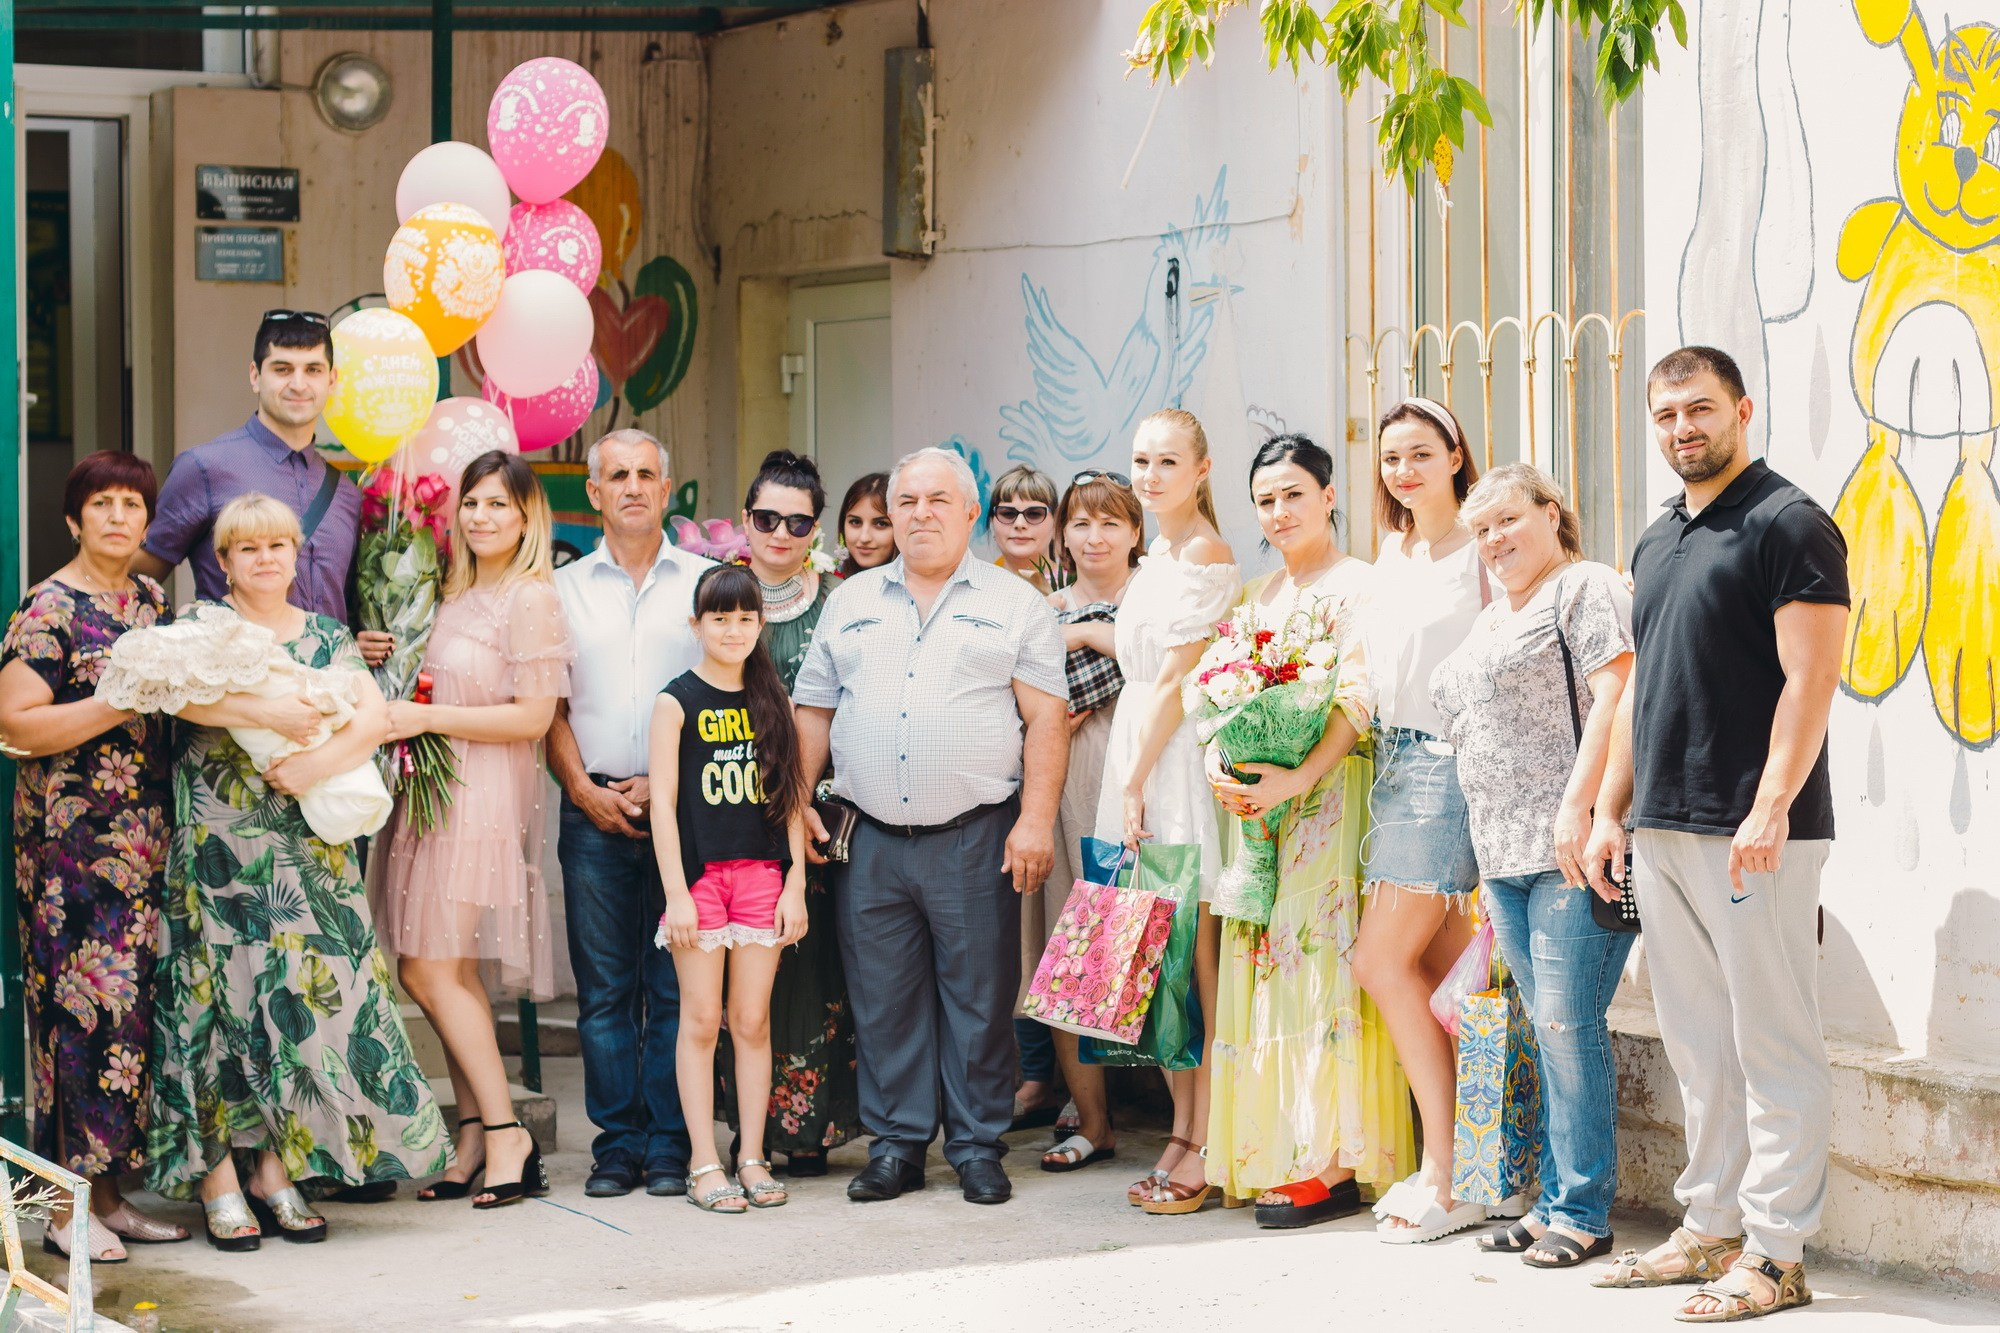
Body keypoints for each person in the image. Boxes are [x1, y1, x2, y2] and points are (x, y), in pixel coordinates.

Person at [1585, 346, 1847, 1322]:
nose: (1681, 427)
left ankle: (1776, 1253)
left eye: (1698, 408)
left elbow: (1810, 678)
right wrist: (1609, 809)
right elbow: (1636, 687)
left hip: (1752, 827)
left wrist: (1771, 802)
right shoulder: (1655, 539)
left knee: (1772, 1041)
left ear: (1741, 408)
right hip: (1660, 822)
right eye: (1663, 415)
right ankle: (1711, 1226)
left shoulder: (1787, 523)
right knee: (1698, 1044)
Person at [147, 493, 444, 1249]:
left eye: (278, 545)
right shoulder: (196, 630)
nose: (266, 558)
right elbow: (175, 694)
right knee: (217, 1008)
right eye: (248, 548)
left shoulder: (326, 633)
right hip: (218, 847)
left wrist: (314, 757)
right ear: (223, 560)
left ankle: (276, 1167)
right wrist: (271, 712)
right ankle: (218, 1176)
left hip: (306, 849)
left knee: (298, 1007)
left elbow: (375, 718)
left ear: (296, 553)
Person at [793, 446, 1068, 1207]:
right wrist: (796, 801)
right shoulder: (848, 602)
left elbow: (1047, 717)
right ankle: (897, 1146)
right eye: (906, 501)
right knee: (884, 997)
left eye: (937, 500)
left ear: (971, 513)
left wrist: (1037, 820)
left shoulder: (1017, 605)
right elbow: (812, 708)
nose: (919, 514)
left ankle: (978, 1144)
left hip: (975, 832)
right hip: (870, 837)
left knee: (980, 998)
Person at [1201, 434, 1415, 1229]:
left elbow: (1359, 698)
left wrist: (1299, 774)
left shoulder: (1360, 586)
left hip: (1330, 796)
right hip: (1263, 812)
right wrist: (1228, 765)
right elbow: (1221, 701)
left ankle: (1331, 1158)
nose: (1280, 511)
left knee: (1319, 963)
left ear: (1329, 495)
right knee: (1264, 967)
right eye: (1265, 499)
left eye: (1295, 493)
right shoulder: (1254, 597)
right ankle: (1280, 1147)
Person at [1429, 463, 1636, 1266]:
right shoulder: (1491, 616)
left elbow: (1617, 693)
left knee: (1566, 1021)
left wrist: (1581, 809)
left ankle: (1583, 1210)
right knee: (1548, 1029)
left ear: (1554, 512)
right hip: (1503, 855)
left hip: (1572, 848)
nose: (1494, 540)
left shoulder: (1581, 589)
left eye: (1509, 520)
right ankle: (1553, 1200)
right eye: (1481, 530)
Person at [373, 452, 575, 1210]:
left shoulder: (529, 597)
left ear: (527, 517)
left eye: (500, 504)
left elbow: (532, 716)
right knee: (445, 973)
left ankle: (507, 1131)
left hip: (481, 790)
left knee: (428, 968)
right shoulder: (456, 589)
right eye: (472, 503)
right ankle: (471, 1136)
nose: (482, 516)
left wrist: (427, 717)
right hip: (433, 784)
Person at [0, 453, 185, 1262]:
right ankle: (56, 1212)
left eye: (131, 504)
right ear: (73, 520)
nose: (118, 516)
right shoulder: (49, 609)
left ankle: (107, 1199)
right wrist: (114, 703)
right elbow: (16, 725)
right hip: (68, 855)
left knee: (121, 1030)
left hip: (139, 848)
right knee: (66, 1030)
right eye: (100, 504)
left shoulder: (148, 599)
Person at [546, 430, 709, 1200]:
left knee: (675, 986)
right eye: (618, 475)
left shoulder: (709, 584)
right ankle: (617, 1145)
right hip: (594, 810)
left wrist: (666, 784)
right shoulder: (561, 589)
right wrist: (582, 788)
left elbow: (731, 694)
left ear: (668, 488)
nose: (634, 486)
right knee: (607, 989)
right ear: (595, 493)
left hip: (691, 814)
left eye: (648, 472)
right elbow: (546, 706)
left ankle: (671, 1142)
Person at [1350, 396, 1493, 1243]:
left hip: (1447, 765)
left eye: (1418, 453)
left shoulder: (1482, 544)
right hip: (1391, 764)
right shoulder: (1395, 548)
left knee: (1378, 958)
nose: (1403, 470)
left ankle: (1445, 1169)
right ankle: (1495, 1163)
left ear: (1454, 454)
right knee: (1450, 980)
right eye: (1391, 457)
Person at [1092, 408, 1240, 1215]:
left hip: (1170, 760)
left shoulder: (1206, 555)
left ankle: (1204, 1138)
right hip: (1137, 753)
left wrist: (1137, 777)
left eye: (1167, 461)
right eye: (1141, 460)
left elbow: (1181, 682)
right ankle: (1180, 1126)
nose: (1150, 476)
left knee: (1191, 958)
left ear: (1202, 467)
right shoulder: (1153, 558)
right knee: (1156, 956)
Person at [716, 449, 859, 1178]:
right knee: (738, 975)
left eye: (797, 521)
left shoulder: (842, 598)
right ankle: (748, 1132)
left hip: (817, 817)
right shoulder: (720, 593)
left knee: (813, 972)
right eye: (767, 517)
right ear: (746, 518)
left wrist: (808, 803)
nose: (780, 532)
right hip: (732, 813)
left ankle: (809, 1131)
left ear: (815, 527)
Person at [652, 565, 812, 1214]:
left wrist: (796, 882)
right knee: (699, 1019)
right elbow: (662, 804)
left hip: (762, 877)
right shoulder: (676, 700)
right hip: (700, 877)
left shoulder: (775, 699)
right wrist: (677, 892)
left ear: (760, 623)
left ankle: (751, 1153)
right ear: (697, 625)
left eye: (745, 616)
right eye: (719, 616)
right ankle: (702, 1161)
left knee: (750, 1020)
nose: (733, 628)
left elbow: (792, 801)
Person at [132, 310, 392, 668]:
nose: (299, 384)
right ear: (255, 376)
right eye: (282, 369)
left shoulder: (347, 492)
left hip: (334, 700)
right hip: (235, 695)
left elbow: (342, 605)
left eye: (313, 370)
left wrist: (355, 640)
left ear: (332, 381)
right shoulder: (204, 468)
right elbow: (137, 582)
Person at [1034, 469, 1143, 1174]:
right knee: (1070, 952)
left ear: (1136, 531)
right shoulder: (1040, 610)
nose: (1094, 535)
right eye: (1080, 522)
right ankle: (1095, 1122)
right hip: (1066, 785)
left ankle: (1187, 1125)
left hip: (1142, 785)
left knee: (1160, 949)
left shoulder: (1157, 599)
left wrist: (1086, 638)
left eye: (1110, 522)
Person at [986, 465, 1062, 595]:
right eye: (1008, 514)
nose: (1019, 524)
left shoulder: (1080, 586)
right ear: (992, 522)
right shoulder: (975, 586)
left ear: (1056, 523)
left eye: (1034, 514)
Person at [836, 472, 896, 577]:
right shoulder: (830, 585)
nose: (864, 538)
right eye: (855, 522)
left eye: (881, 524)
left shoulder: (917, 588)